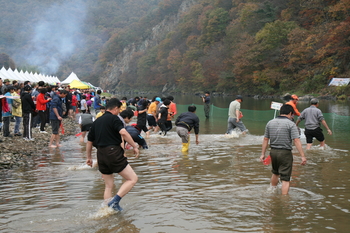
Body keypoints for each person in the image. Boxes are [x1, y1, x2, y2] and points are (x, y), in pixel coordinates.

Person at [86, 98, 139, 212]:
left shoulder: (97, 121)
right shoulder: (114, 118)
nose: (119, 112)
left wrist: (89, 158)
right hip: (113, 152)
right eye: (119, 110)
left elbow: (89, 141)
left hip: (100, 154)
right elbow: (123, 132)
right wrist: (134, 146)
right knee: (132, 179)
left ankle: (107, 210)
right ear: (115, 108)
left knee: (109, 186)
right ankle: (114, 202)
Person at [260, 104, 307, 195]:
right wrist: (302, 156)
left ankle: (271, 191)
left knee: (275, 173)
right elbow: (296, 140)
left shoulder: (270, 122)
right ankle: (284, 199)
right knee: (285, 178)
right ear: (290, 113)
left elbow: (266, 139)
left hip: (273, 152)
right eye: (292, 114)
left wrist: (262, 154)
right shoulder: (291, 124)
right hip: (285, 153)